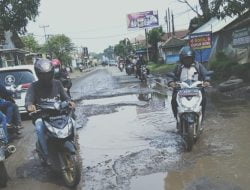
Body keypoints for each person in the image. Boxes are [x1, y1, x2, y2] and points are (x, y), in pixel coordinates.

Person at [25, 59, 75, 164]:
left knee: (72, 122)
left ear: (52, 73)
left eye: (48, 74)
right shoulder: (33, 86)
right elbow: (29, 100)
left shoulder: (57, 83)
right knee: (39, 128)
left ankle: (72, 142)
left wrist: (69, 102)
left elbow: (65, 97)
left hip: (58, 114)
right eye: (43, 75)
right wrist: (30, 106)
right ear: (38, 74)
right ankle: (46, 154)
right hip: (42, 115)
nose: (46, 77)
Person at [168, 46, 210, 121]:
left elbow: (205, 74)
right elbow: (171, 76)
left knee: (204, 99)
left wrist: (206, 81)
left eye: (189, 58)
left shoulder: (198, 66)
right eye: (186, 58)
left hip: (197, 89)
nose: (187, 60)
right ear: (182, 59)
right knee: (174, 100)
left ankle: (202, 118)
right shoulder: (178, 67)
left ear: (193, 58)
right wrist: (171, 82)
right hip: (181, 90)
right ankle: (177, 118)